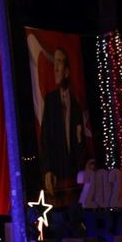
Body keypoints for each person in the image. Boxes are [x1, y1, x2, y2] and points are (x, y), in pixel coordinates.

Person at [39, 48, 86, 200]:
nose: (55, 68)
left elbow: (80, 142)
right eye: (54, 63)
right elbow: (45, 137)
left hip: (74, 177)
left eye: (59, 62)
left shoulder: (76, 105)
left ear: (67, 71)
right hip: (56, 175)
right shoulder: (51, 100)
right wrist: (48, 170)